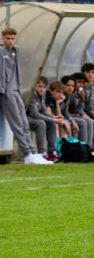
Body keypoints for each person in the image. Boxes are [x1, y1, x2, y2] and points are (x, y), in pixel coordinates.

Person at [0, 27, 52, 164]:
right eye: (7, 38)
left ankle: (33, 153)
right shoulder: (0, 52)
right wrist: (3, 89)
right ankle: (27, 153)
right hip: (6, 92)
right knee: (16, 123)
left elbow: (17, 69)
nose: (10, 41)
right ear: (2, 38)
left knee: (24, 122)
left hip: (15, 89)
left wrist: (18, 86)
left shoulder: (15, 50)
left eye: (12, 38)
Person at [27, 76, 59, 161]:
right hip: (24, 118)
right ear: (35, 86)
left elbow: (44, 111)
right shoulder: (31, 95)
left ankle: (52, 152)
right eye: (40, 86)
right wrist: (54, 119)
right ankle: (41, 153)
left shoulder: (42, 95)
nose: (42, 89)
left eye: (44, 87)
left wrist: (54, 117)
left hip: (33, 118)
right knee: (41, 123)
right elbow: (35, 115)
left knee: (52, 123)